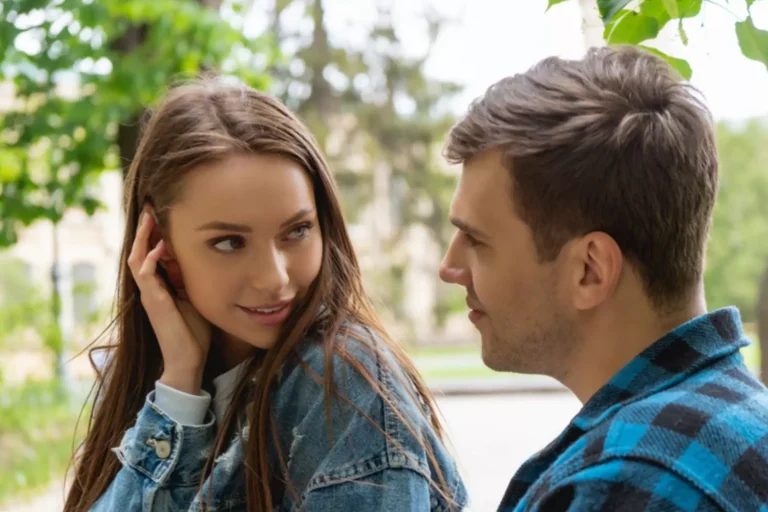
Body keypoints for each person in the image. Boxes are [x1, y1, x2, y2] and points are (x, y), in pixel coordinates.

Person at [65, 79, 467, 512]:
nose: (274, 279)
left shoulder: (343, 383)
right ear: (159, 246)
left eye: (297, 231)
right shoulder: (154, 381)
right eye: (229, 242)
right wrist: (180, 385)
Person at [439, 45, 768, 511]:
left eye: (476, 241)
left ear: (590, 270)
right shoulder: (745, 420)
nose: (449, 267)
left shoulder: (624, 485)